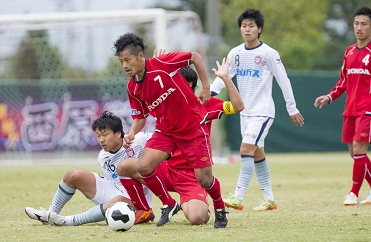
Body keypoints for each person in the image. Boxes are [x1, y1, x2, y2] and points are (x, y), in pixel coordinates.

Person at [113, 33, 228, 228]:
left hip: (192, 129)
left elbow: (196, 57)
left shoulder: (162, 63)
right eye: (121, 61)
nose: (124, 65)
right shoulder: (133, 87)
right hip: (166, 132)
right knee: (144, 166)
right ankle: (168, 203)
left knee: (205, 179)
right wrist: (132, 133)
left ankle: (219, 207)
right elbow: (140, 118)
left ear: (140, 56)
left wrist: (206, 87)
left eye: (127, 60)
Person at [211, 8, 304, 211]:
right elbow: (224, 77)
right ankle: (269, 199)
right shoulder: (235, 53)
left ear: (259, 29)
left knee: (245, 149)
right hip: (245, 112)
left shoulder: (269, 54)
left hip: (263, 112)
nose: (247, 29)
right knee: (257, 153)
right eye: (244, 26)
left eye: (251, 26)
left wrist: (292, 107)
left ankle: (238, 196)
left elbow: (283, 80)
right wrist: (209, 93)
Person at [24, 111, 155, 226]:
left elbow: (163, 143)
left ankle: (67, 221)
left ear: (118, 133)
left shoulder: (140, 140)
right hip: (118, 192)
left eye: (105, 134)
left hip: (139, 200)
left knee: (120, 198)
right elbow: (115, 183)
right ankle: (50, 215)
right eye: (98, 136)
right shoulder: (103, 157)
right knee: (73, 175)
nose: (101, 140)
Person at [314, 6, 371, 206]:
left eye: (364, 24)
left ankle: (353, 193)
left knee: (359, 150)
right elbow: (343, 82)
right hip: (350, 110)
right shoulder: (349, 52)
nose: (359, 28)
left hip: (367, 110)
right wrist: (329, 97)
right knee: (355, 153)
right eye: (357, 23)